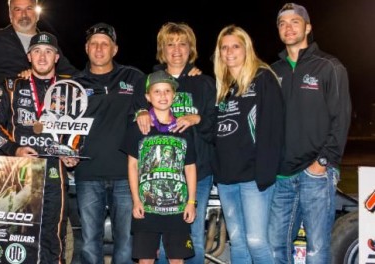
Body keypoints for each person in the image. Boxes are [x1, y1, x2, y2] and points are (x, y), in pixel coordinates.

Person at [0, 31, 79, 263]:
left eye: (49, 52)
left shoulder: (70, 88)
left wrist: (72, 151)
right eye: (37, 51)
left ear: (57, 57)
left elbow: (82, 127)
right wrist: (13, 149)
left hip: (54, 171)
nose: (42, 56)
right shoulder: (11, 85)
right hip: (21, 170)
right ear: (29, 56)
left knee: (52, 235)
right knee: (15, 234)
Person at [268, 3, 351, 264]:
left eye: (295, 21)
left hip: (315, 173)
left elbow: (342, 118)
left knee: (316, 250)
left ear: (308, 27)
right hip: (281, 176)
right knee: (274, 248)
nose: (288, 27)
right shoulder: (272, 71)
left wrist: (322, 162)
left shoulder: (329, 66)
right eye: (282, 23)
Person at [132, 22, 216, 264]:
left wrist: (198, 118)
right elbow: (134, 115)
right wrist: (140, 113)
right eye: (170, 44)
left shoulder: (204, 83)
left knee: (193, 239)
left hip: (196, 173)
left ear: (191, 48)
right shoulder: (147, 82)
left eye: (182, 43)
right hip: (156, 177)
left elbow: (216, 125)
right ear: (162, 49)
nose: (176, 49)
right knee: (157, 243)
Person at [73, 22, 145, 264]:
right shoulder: (75, 83)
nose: (99, 49)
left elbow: (163, 93)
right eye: (94, 44)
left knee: (125, 241)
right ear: (86, 48)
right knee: (89, 242)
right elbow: (61, 128)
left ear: (115, 49)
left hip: (126, 174)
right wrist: (65, 152)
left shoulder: (133, 77)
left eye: (105, 44)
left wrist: (191, 72)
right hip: (87, 174)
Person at [212, 25, 284, 264]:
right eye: (224, 47)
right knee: (238, 243)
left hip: (254, 177)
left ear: (247, 49)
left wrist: (264, 173)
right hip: (226, 178)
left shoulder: (263, 78)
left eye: (235, 46)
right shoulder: (222, 86)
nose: (229, 52)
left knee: (256, 241)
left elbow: (274, 131)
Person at [123, 70, 197, 264]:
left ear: (174, 96)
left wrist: (191, 202)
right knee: (145, 259)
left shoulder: (183, 130)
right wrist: (136, 201)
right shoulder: (138, 128)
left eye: (167, 91)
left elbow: (190, 167)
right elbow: (132, 165)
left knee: (177, 259)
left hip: (177, 208)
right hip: (146, 208)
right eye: (157, 91)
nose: (163, 96)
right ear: (147, 96)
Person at [0, 0, 78, 91]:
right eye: (18, 9)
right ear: (10, 15)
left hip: (39, 106)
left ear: (37, 14)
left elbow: (73, 75)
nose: (24, 15)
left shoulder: (49, 44)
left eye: (29, 8)